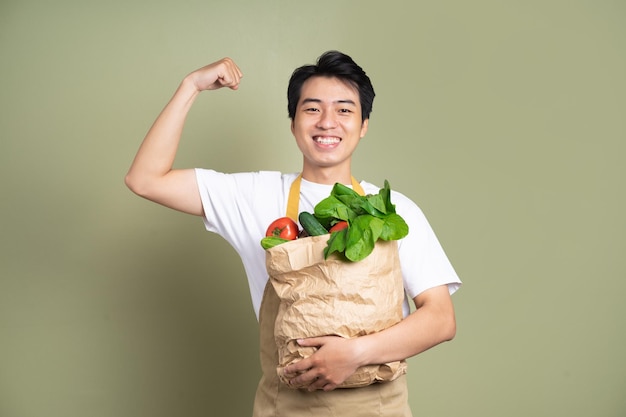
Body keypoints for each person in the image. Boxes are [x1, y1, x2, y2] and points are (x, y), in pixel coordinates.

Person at [126, 51, 461, 416]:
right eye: (312, 109)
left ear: (364, 124)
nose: (327, 122)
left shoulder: (393, 208)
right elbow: (145, 179)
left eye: (345, 110)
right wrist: (191, 86)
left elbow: (441, 319)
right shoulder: (256, 196)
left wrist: (354, 354)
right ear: (293, 121)